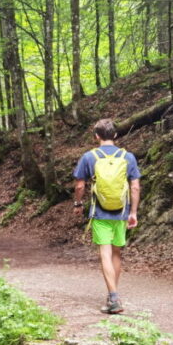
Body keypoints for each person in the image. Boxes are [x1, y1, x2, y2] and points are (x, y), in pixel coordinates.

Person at [73, 118, 141, 314]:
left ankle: (113, 297)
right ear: (116, 135)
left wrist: (78, 203)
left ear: (96, 136)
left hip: (100, 212)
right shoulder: (128, 157)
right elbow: (134, 186)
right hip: (121, 211)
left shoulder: (89, 157)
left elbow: (79, 185)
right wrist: (133, 212)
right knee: (117, 253)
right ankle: (113, 293)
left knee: (105, 252)